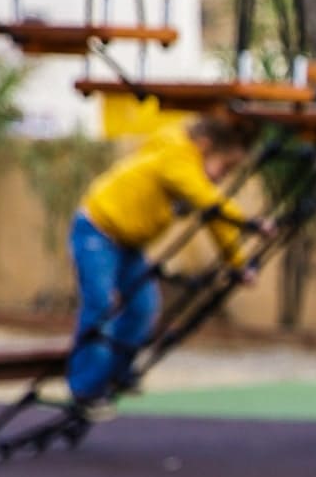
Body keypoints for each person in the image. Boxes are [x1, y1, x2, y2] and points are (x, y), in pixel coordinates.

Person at [68, 113, 260, 413]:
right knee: (99, 306)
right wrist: (251, 224)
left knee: (143, 308)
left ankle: (115, 373)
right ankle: (86, 387)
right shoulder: (176, 158)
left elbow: (213, 217)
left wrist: (238, 262)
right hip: (97, 231)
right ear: (205, 145)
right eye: (224, 166)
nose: (222, 176)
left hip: (130, 245)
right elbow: (211, 205)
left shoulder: (183, 157)